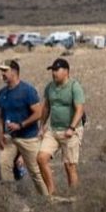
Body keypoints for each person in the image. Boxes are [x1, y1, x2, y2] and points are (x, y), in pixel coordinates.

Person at [0, 61, 46, 195]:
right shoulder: (2, 93)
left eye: (5, 71)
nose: (2, 74)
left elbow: (38, 113)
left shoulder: (27, 90)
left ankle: (47, 198)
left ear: (14, 71)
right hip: (9, 138)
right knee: (4, 166)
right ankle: (12, 199)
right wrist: (0, 135)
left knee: (35, 171)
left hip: (28, 137)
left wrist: (21, 125)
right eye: (1, 71)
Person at [37, 57, 85, 194]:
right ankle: (51, 192)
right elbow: (46, 107)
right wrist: (42, 126)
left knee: (69, 166)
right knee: (41, 158)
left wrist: (71, 128)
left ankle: (74, 197)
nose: (54, 73)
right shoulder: (50, 87)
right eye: (52, 70)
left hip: (70, 131)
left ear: (66, 71)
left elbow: (79, 109)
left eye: (57, 70)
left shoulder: (74, 87)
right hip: (53, 130)